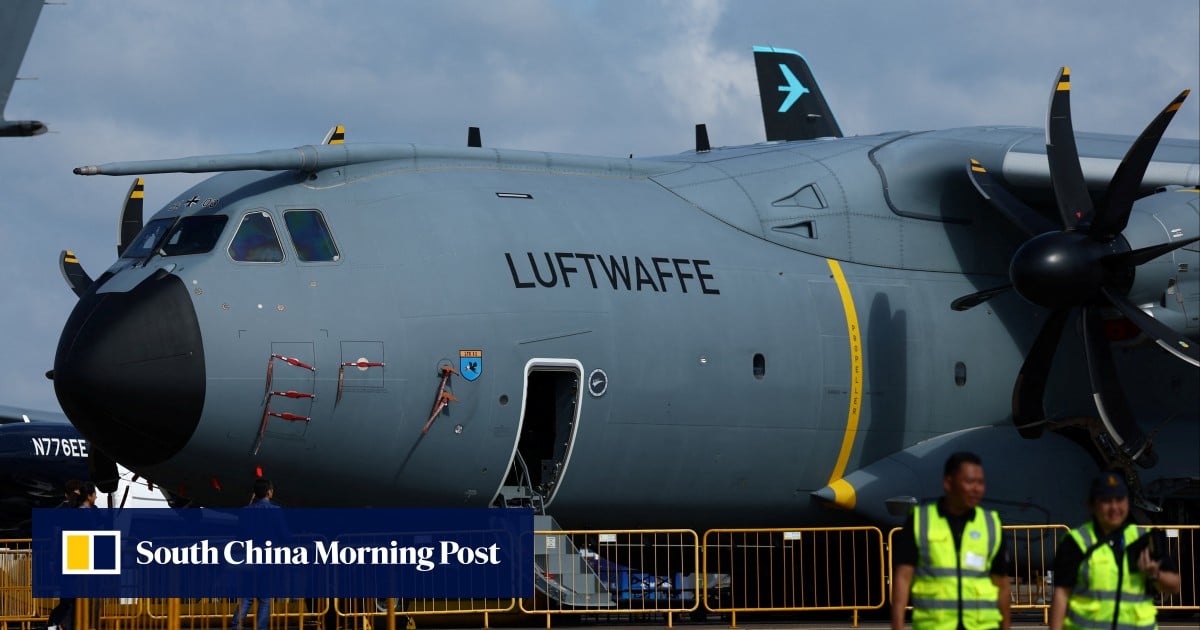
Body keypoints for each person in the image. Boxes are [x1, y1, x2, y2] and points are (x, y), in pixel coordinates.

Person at [891, 452, 1011, 630]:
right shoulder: (920, 521)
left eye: (981, 482)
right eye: (970, 482)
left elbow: (1001, 584)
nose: (977, 489)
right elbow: (903, 577)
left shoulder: (990, 524)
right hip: (936, 625)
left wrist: (1006, 626)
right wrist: (897, 625)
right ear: (948, 483)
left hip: (982, 626)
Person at [1048, 471, 1181, 630]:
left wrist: (1155, 574)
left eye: (1119, 500)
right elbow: (1061, 595)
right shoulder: (1076, 543)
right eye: (1106, 501)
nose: (1114, 507)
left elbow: (1175, 586)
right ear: (1092, 505)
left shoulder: (1143, 539)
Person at [231, 479, 279, 630]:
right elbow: (285, 535)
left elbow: (239, 535)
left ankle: (236, 625)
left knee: (247, 596)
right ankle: (261, 627)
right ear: (269, 492)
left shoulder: (246, 511)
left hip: (249, 557)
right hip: (267, 557)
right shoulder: (275, 510)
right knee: (265, 598)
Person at [47, 480, 87, 630]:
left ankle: (55, 624)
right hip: (70, 560)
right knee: (70, 599)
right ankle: (56, 624)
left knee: (70, 598)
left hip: (70, 560)